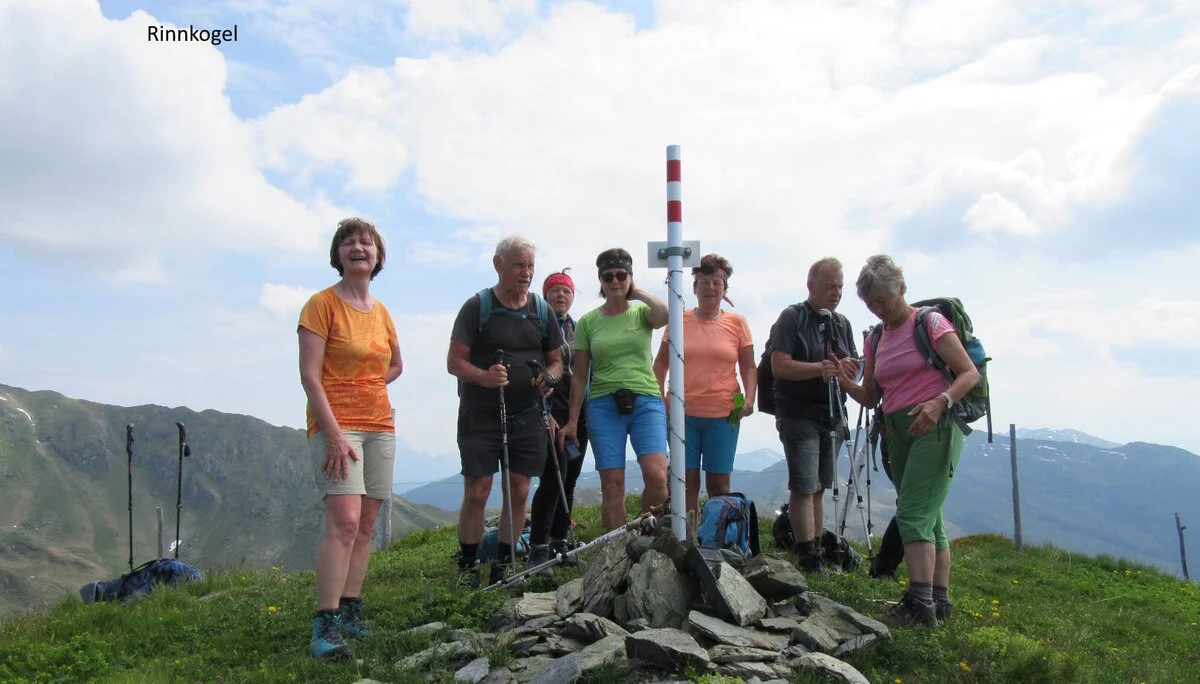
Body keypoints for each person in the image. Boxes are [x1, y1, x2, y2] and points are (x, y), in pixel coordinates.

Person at [839, 254, 979, 627]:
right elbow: (872, 397)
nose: (878, 309)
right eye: (871, 304)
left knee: (912, 513)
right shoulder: (876, 338)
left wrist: (940, 401)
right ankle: (940, 601)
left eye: (882, 300)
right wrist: (844, 383)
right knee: (928, 517)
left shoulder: (930, 323)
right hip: (896, 430)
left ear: (901, 289)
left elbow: (968, 374)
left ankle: (920, 606)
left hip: (935, 424)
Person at [297, 217, 403, 660]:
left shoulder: (380, 312)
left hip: (379, 425)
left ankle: (350, 613)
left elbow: (396, 364)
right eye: (350, 242)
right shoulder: (321, 305)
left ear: (377, 256)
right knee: (342, 523)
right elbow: (309, 376)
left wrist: (368, 383)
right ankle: (324, 624)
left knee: (365, 526)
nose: (359, 247)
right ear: (338, 254)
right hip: (337, 427)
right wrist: (335, 433)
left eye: (367, 242)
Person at [447, 236, 563, 587]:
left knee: (519, 491)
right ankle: (468, 565)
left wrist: (549, 378)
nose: (526, 273)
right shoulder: (477, 307)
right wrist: (484, 376)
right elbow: (454, 362)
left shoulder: (541, 311)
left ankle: (504, 563)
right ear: (499, 265)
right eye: (518, 265)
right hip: (481, 415)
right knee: (478, 490)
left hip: (527, 415)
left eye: (530, 266)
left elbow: (557, 361)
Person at [559, 248, 669, 531]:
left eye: (622, 275)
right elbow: (580, 375)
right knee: (612, 486)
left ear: (630, 277)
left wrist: (638, 292)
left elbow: (665, 315)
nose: (615, 281)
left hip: (646, 401)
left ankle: (647, 537)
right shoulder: (588, 322)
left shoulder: (643, 313)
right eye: (608, 276)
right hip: (603, 405)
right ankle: (618, 551)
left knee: (657, 477)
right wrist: (572, 420)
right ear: (600, 280)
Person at [768, 257, 860, 573]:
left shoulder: (842, 324)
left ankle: (815, 549)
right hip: (798, 412)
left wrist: (849, 370)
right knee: (804, 485)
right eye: (830, 286)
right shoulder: (792, 318)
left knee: (819, 485)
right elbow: (780, 365)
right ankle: (807, 555)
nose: (836, 293)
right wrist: (820, 369)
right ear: (812, 286)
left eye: (840, 287)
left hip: (833, 414)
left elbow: (852, 368)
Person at [652, 253, 755, 521]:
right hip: (681, 413)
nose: (711, 288)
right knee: (684, 484)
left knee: (720, 485)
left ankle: (716, 543)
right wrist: (660, 398)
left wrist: (750, 399)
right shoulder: (678, 320)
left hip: (723, 414)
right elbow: (660, 364)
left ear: (725, 289)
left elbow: (748, 366)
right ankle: (686, 541)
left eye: (717, 282)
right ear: (694, 287)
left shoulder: (737, 323)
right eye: (704, 282)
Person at [527, 269, 588, 574]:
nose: (561, 296)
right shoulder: (538, 329)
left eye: (566, 292)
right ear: (545, 295)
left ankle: (558, 542)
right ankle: (537, 549)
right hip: (551, 411)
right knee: (554, 476)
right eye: (555, 291)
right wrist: (544, 411)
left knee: (571, 477)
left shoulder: (581, 329)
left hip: (579, 411)